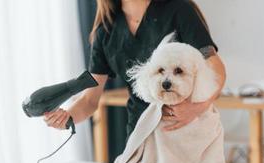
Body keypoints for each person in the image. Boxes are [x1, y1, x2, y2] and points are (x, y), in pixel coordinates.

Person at [44, 0, 226, 136]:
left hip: (187, 129)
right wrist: (66, 117)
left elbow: (216, 70)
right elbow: (90, 101)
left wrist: (196, 109)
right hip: (140, 134)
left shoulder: (179, 10)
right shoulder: (105, 31)